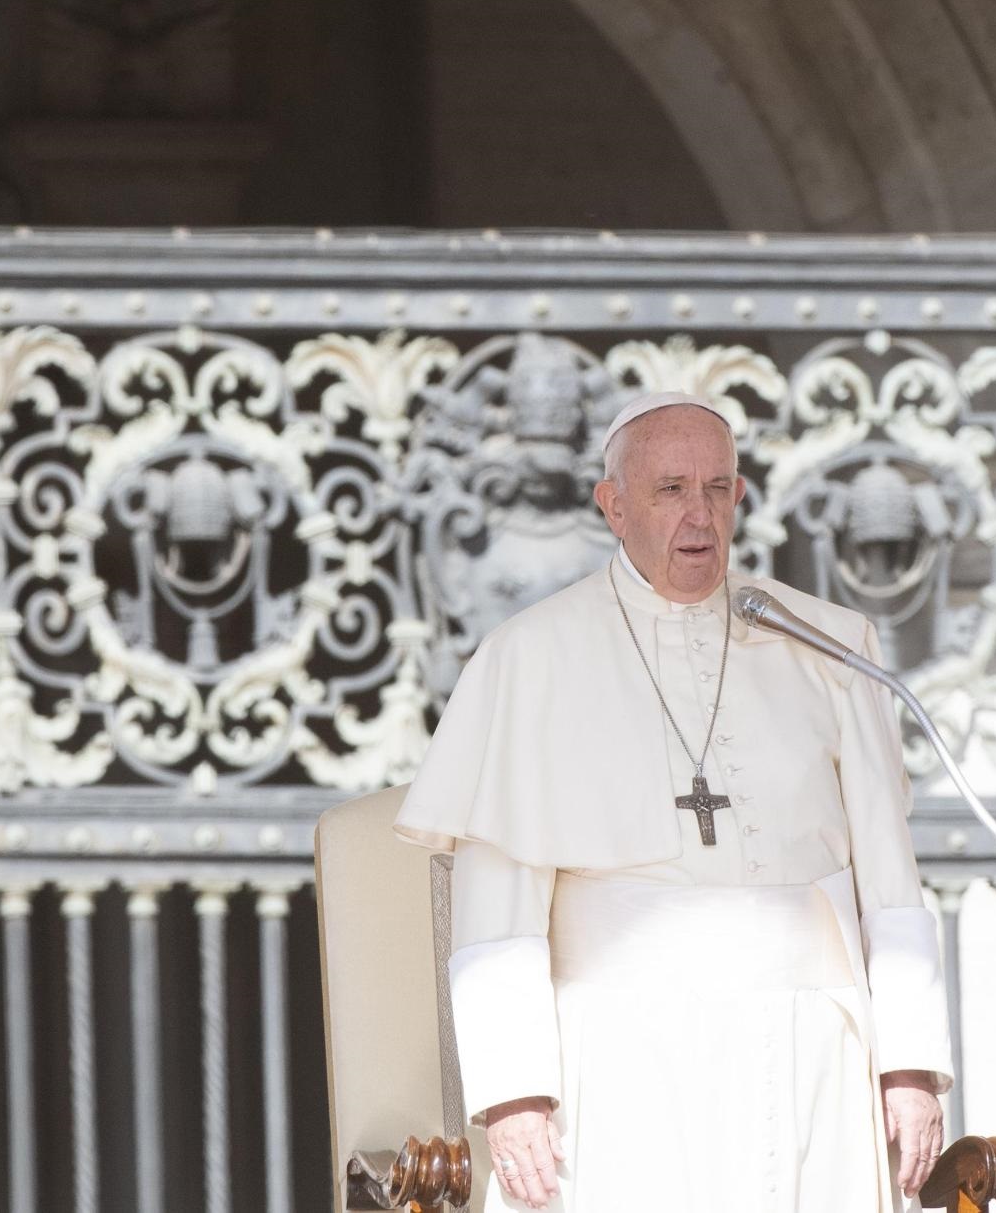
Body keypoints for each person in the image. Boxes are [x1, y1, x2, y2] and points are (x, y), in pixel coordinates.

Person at [395, 391, 951, 1212]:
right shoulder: (530, 656)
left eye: (719, 488)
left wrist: (906, 1064)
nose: (700, 514)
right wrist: (515, 1094)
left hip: (810, 1053)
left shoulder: (828, 644)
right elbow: (499, 900)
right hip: (620, 1056)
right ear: (613, 506)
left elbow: (890, 874)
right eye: (670, 490)